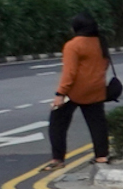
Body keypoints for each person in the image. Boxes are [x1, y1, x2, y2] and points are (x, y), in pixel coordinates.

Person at [48, 14, 112, 168]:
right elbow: (105, 64)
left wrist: (60, 94)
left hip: (75, 91)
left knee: (57, 122)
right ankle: (101, 156)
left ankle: (58, 159)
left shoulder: (73, 45)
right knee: (97, 123)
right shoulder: (100, 42)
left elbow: (69, 72)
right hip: (97, 88)